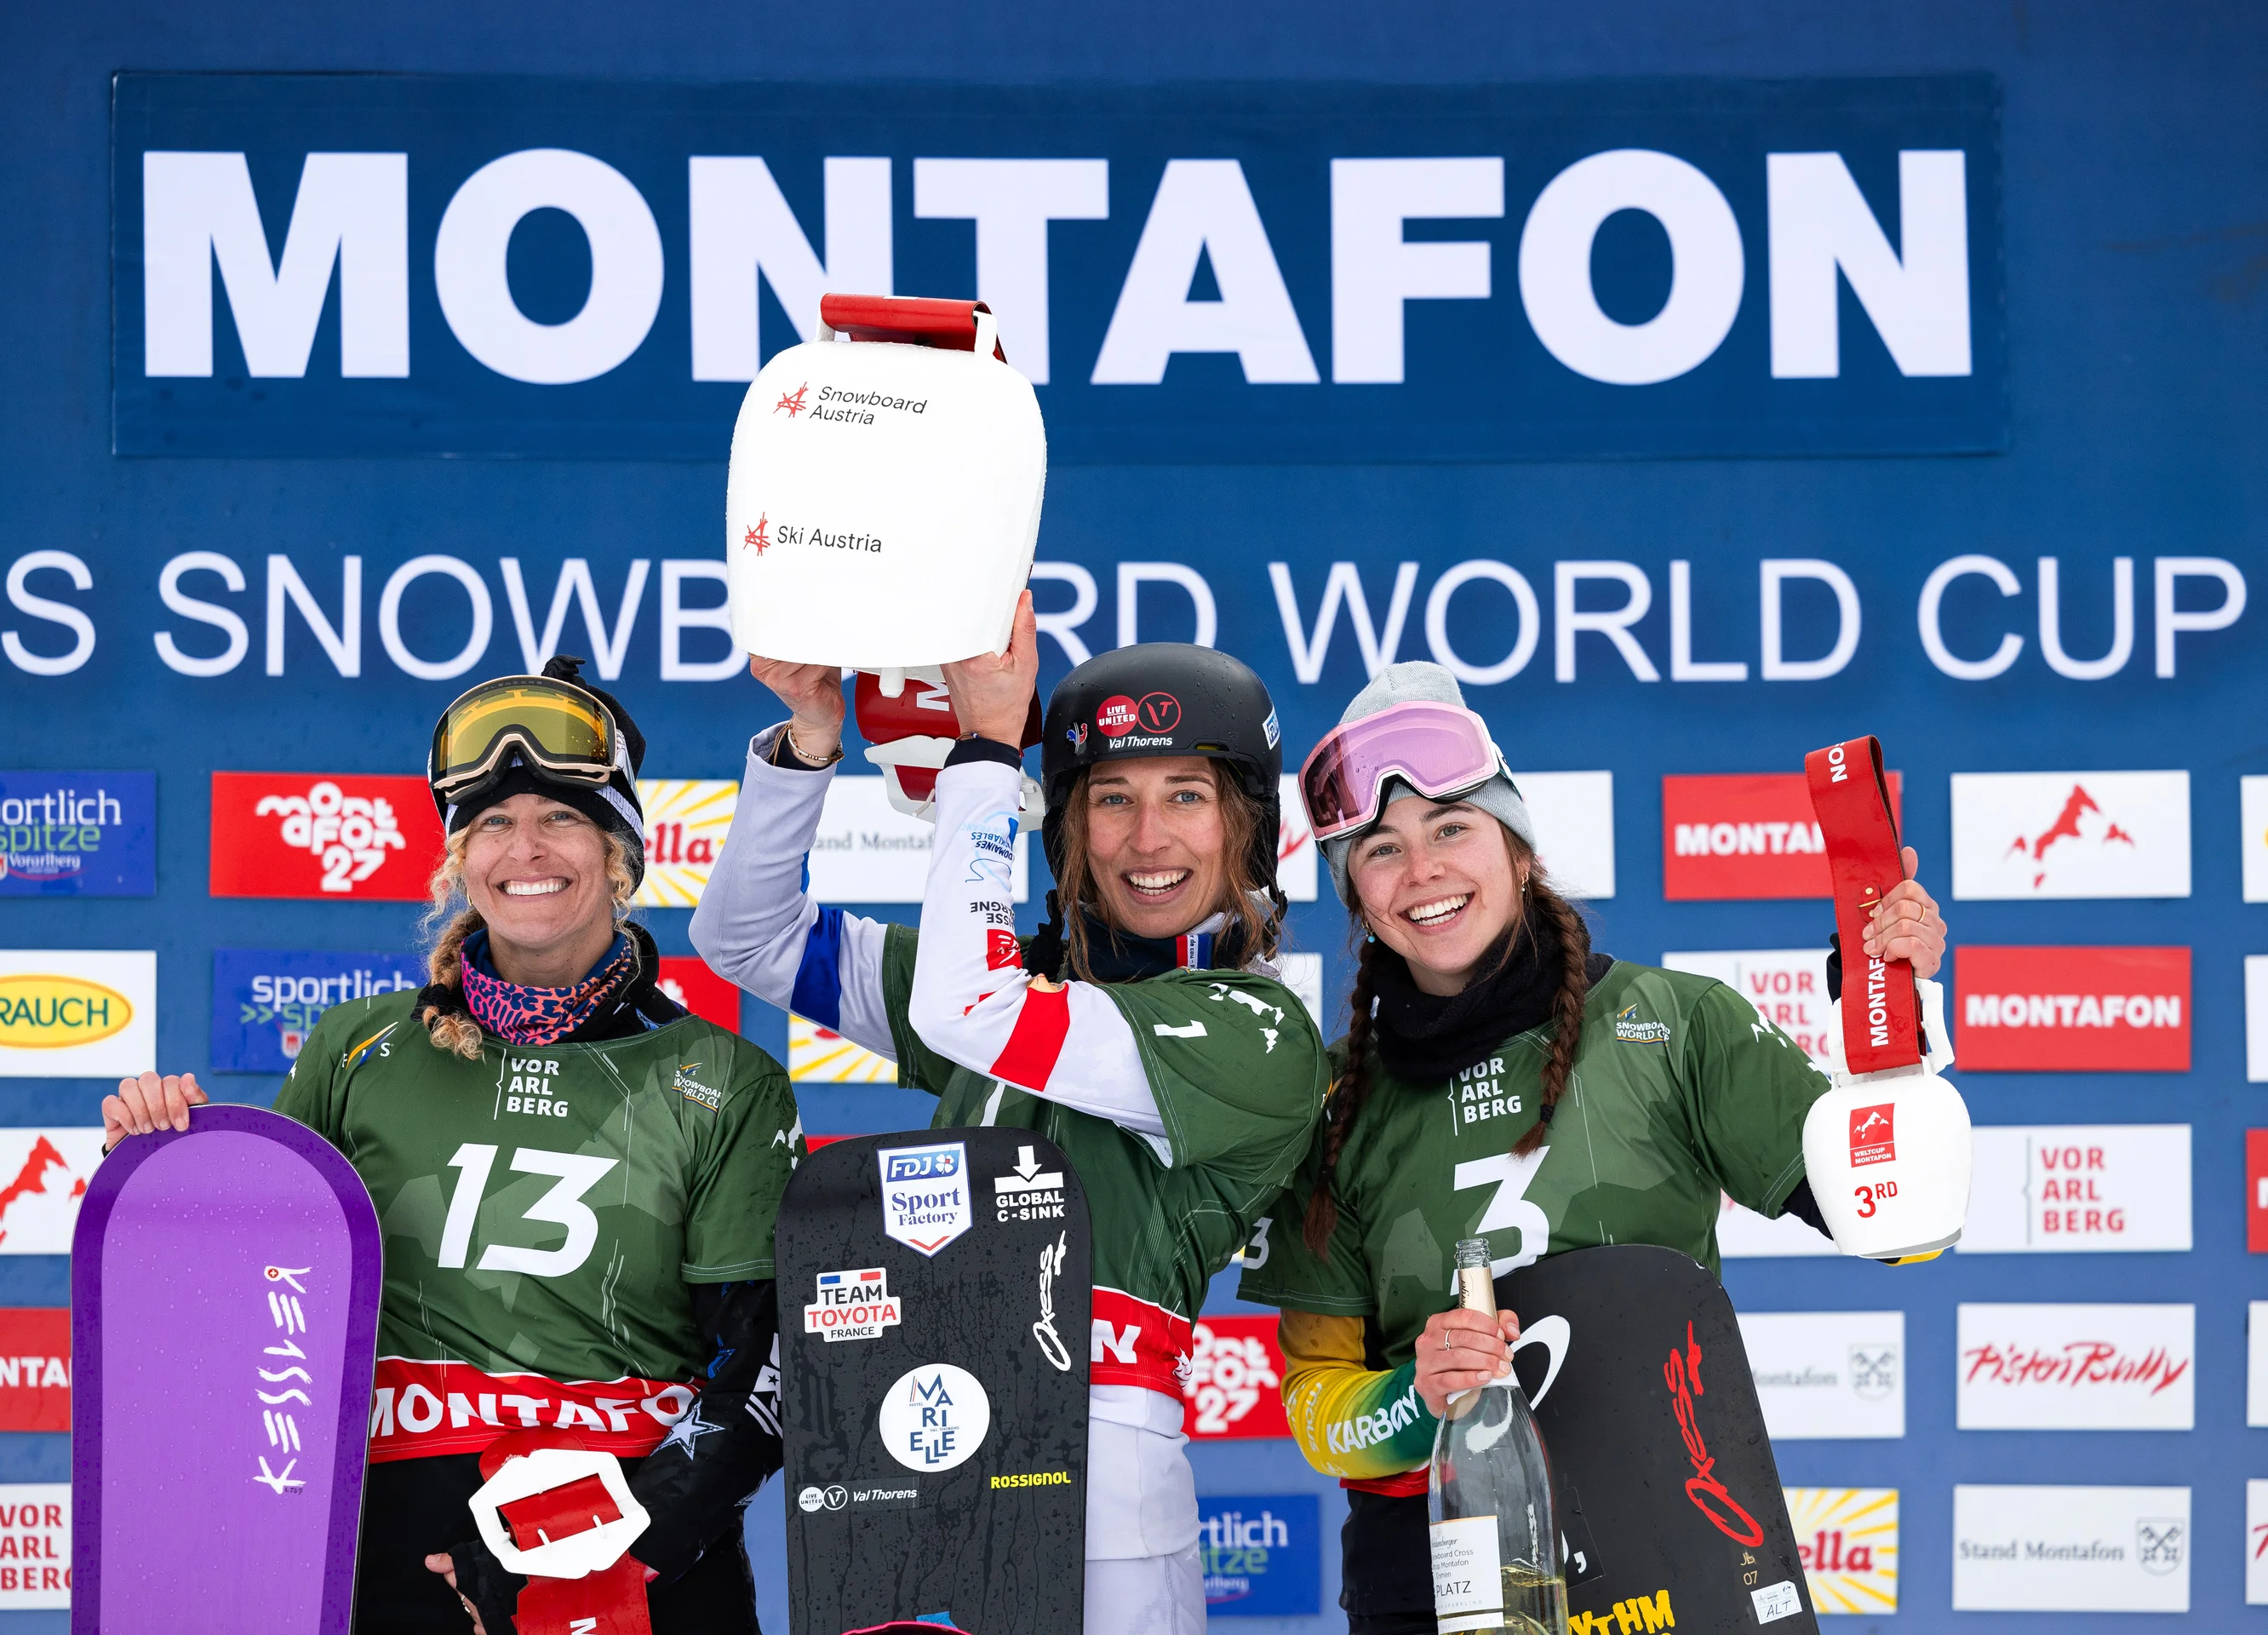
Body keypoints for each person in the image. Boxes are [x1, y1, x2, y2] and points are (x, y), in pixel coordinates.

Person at [1233, 663, 1950, 1635]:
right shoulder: (1328, 1104)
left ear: (1516, 848)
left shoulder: (1675, 1024)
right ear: (1357, 898)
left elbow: (1899, 1229)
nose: (1424, 871)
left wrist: (1891, 1021)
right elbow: (1319, 1410)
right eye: (1382, 851)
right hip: (1434, 1576)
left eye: (1453, 828)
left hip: (1672, 1541)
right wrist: (1415, 1396)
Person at [101, 659, 799, 1635]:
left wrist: (605, 1553)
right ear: (458, 859)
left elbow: (760, 1382)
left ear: (621, 852)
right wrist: (165, 1175)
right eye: (494, 824)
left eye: (562, 818)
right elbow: (253, 1322)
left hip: (635, 1556)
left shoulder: (721, 1078)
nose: (527, 848)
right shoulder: (356, 1050)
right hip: (389, 1551)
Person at [691, 595, 1331, 1635]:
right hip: (913, 1449)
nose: (1148, 836)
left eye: (1187, 796)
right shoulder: (1014, 994)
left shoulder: (1254, 1032)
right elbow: (748, 936)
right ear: (1070, 824)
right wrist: (809, 740)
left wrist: (985, 753)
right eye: (1111, 799)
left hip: (1097, 1476)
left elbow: (966, 1008)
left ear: (1245, 826)